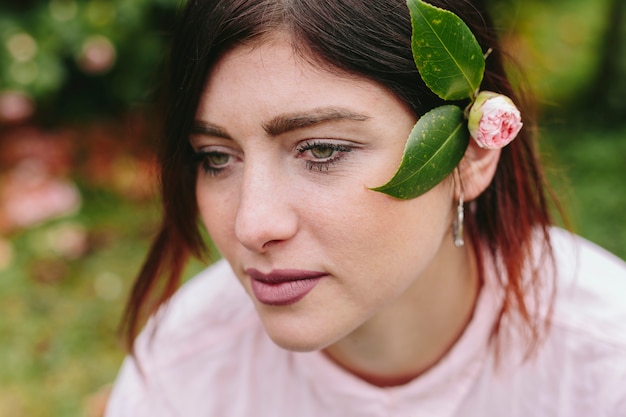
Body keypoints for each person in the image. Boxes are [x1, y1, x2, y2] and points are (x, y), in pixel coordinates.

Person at [104, 0, 626, 415]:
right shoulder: (185, 369)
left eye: (323, 150)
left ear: (469, 156)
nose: (252, 225)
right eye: (216, 158)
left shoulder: (606, 363)